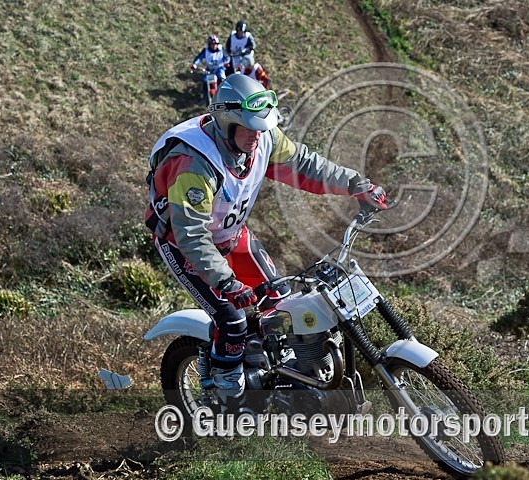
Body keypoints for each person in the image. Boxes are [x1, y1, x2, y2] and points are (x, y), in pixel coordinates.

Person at [145, 75, 387, 405]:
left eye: (261, 126)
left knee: (280, 303)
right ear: (226, 122)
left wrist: (355, 184)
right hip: (186, 245)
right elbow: (191, 235)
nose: (257, 135)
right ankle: (228, 392)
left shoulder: (264, 138)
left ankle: (275, 374)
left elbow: (303, 165)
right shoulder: (194, 165)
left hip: (231, 235)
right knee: (232, 318)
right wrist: (226, 282)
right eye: (249, 128)